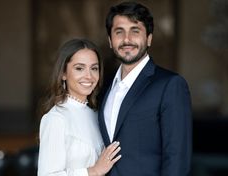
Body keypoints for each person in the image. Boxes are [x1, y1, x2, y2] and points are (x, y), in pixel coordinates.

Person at [98, 1, 192, 176]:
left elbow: (177, 158)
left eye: (135, 31)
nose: (127, 39)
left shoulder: (170, 85)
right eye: (119, 32)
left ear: (149, 38)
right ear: (110, 41)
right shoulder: (104, 87)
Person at [37, 39, 121, 176]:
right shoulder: (56, 118)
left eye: (94, 68)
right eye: (79, 68)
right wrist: (94, 171)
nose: (89, 76)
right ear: (63, 73)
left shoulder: (97, 115)